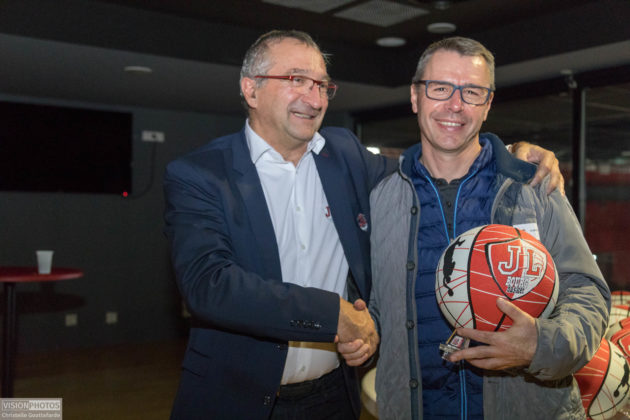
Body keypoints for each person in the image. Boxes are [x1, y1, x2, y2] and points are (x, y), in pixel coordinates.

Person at [163, 30, 562, 420]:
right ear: (251, 89)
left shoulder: (344, 156)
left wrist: (508, 154)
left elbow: (431, 168)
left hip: (334, 398)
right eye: (297, 80)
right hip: (235, 397)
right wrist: (333, 315)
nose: (315, 99)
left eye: (322, 85)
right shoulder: (200, 175)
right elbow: (208, 284)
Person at [362, 36, 611, 419]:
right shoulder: (380, 199)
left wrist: (540, 345)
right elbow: (378, 307)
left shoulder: (534, 186)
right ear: (415, 96)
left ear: (488, 104)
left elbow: (587, 293)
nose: (455, 104)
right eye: (440, 88)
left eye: (472, 92)